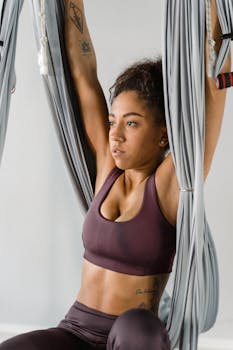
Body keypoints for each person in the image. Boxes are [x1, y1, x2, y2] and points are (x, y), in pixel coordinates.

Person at [0, 0, 230, 349]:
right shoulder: (107, 167)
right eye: (113, 121)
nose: (116, 134)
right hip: (75, 329)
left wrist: (219, 20)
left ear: (163, 134)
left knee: (139, 326)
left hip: (132, 337)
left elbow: (209, 93)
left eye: (132, 123)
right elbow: (82, 69)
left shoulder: (169, 186)